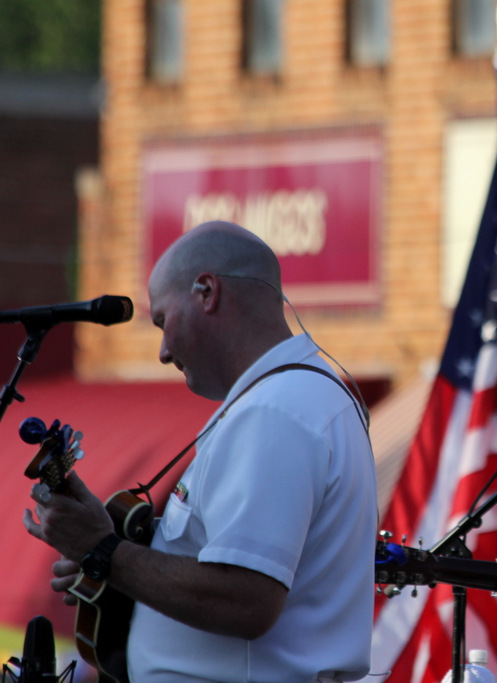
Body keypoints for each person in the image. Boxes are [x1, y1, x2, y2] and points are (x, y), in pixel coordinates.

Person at [23, 221, 378, 682]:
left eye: (163, 321)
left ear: (206, 291)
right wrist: (112, 556)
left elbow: (245, 599)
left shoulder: (274, 412)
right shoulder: (289, 400)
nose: (164, 352)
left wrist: (102, 548)